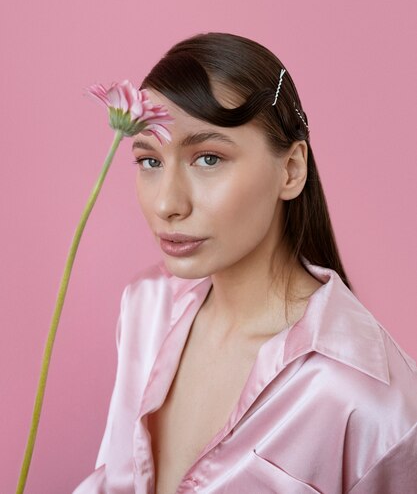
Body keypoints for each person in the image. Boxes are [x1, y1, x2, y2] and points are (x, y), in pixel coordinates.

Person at [73, 32, 417, 494]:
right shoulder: (145, 309)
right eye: (149, 161)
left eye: (208, 158)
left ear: (291, 170)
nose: (168, 204)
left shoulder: (371, 400)